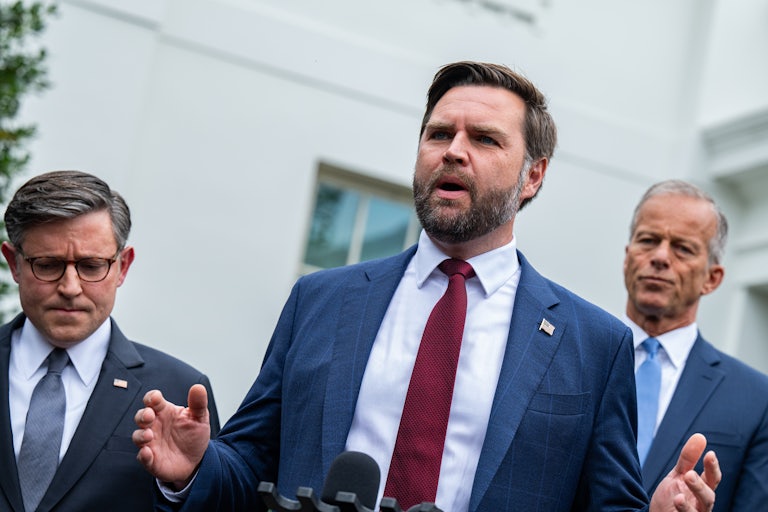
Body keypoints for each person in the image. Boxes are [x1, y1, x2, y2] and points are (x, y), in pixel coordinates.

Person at [133, 62, 719, 511]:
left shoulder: (593, 344)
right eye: (439, 134)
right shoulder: (323, 301)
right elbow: (251, 465)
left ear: (532, 176)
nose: (454, 151)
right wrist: (194, 467)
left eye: (485, 140)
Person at [0, 170, 221, 512]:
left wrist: (184, 483)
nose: (70, 287)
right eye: (47, 265)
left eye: (91, 266)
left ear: (123, 266)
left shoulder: (179, 392)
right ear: (14, 263)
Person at [624, 179, 768, 511]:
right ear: (627, 257)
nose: (660, 256)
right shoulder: (573, 353)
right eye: (648, 240)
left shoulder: (756, 400)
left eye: (682, 248)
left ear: (712, 278)